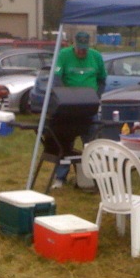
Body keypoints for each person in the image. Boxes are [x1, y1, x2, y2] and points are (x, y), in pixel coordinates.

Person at [51, 31, 106, 188]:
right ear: (73, 44)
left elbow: (102, 79)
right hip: (69, 107)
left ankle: (92, 177)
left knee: (91, 143)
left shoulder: (96, 56)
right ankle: (60, 177)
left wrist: (97, 96)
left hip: (89, 108)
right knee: (65, 143)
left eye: (84, 49)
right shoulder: (64, 55)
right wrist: (64, 96)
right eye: (79, 49)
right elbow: (56, 78)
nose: (82, 52)